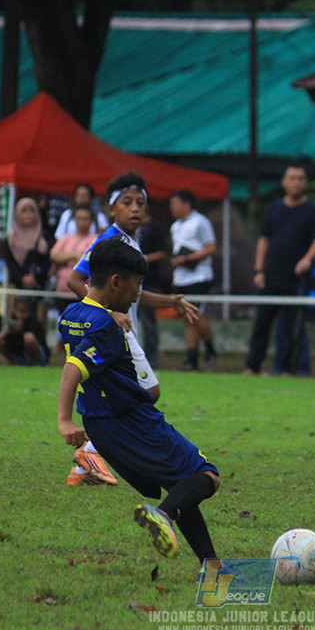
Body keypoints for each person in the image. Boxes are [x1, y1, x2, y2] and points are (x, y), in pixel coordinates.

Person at [57, 237, 220, 562]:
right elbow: (74, 367)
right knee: (206, 476)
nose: (137, 294)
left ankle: (213, 568)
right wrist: (63, 419)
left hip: (100, 425)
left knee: (180, 485)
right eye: (137, 285)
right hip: (131, 421)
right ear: (116, 282)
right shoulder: (106, 326)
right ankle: (162, 516)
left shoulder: (71, 314)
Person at [64, 171, 199, 487]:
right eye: (127, 203)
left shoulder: (131, 243)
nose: (135, 208)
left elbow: (136, 294)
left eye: (141, 202)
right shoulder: (108, 241)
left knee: (139, 394)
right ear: (112, 208)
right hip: (113, 332)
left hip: (124, 329)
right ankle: (93, 451)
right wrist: (107, 313)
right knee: (146, 392)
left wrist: (171, 301)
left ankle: (89, 460)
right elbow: (74, 280)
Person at [244, 165, 315, 376]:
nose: (296, 182)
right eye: (292, 178)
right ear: (284, 182)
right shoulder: (273, 209)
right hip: (271, 275)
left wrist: (307, 260)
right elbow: (264, 240)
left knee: (293, 327)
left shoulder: (313, 210)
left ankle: (290, 368)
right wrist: (258, 270)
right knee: (262, 323)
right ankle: (252, 366)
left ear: (305, 183)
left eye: (300, 178)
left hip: (297, 279)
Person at [169, 189, 219, 371]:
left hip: (198, 276)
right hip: (181, 278)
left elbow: (211, 248)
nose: (172, 208)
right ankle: (192, 357)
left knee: (195, 316)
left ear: (186, 204)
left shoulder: (200, 222)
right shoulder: (175, 226)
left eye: (175, 204)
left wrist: (189, 259)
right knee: (187, 317)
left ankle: (209, 346)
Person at [3, 197, 50, 320]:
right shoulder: (11, 237)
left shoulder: (44, 236)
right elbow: (10, 262)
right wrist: (22, 278)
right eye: (24, 210)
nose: (28, 214)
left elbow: (47, 261)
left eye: (32, 210)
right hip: (16, 284)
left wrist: (35, 279)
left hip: (38, 284)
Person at [136, 210, 170, 369]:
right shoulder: (121, 228)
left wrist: (143, 260)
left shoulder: (154, 227)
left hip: (148, 281)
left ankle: (151, 359)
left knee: (148, 322)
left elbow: (162, 253)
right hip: (128, 282)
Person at [50, 205, 98, 294]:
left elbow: (92, 259)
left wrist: (65, 258)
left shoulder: (96, 239)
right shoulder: (65, 238)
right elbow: (54, 255)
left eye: (85, 219)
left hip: (84, 291)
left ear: (91, 221)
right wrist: (75, 255)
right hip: (62, 290)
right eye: (79, 218)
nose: (82, 222)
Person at [0, 296, 49, 366]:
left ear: (30, 312)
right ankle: (12, 362)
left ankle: (36, 364)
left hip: (36, 356)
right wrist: (9, 332)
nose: (20, 314)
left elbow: (38, 342)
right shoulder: (13, 321)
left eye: (23, 312)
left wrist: (22, 330)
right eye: (17, 311)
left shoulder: (35, 323)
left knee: (28, 338)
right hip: (19, 354)